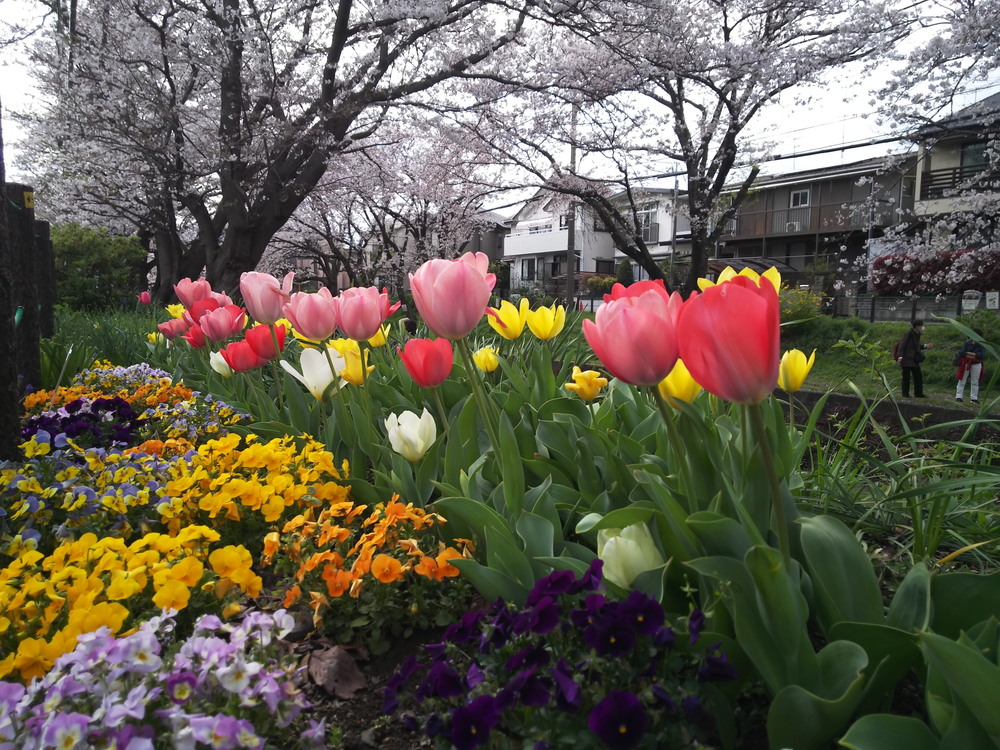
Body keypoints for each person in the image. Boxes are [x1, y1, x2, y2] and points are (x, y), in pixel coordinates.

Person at [897, 319, 934, 398]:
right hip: (906, 359)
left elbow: (916, 347)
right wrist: (900, 357)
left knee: (918, 377)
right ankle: (905, 394)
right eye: (921, 325)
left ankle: (918, 394)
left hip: (914, 359)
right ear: (917, 326)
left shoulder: (917, 334)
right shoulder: (908, 334)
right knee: (906, 377)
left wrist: (925, 346)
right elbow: (902, 345)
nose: (922, 327)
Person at [955, 329, 986, 403]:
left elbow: (981, 355)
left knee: (975, 381)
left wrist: (968, 353)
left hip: (976, 364)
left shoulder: (982, 344)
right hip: (966, 363)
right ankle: (958, 396)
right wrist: (974, 355)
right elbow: (962, 353)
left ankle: (974, 398)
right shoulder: (967, 343)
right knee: (962, 380)